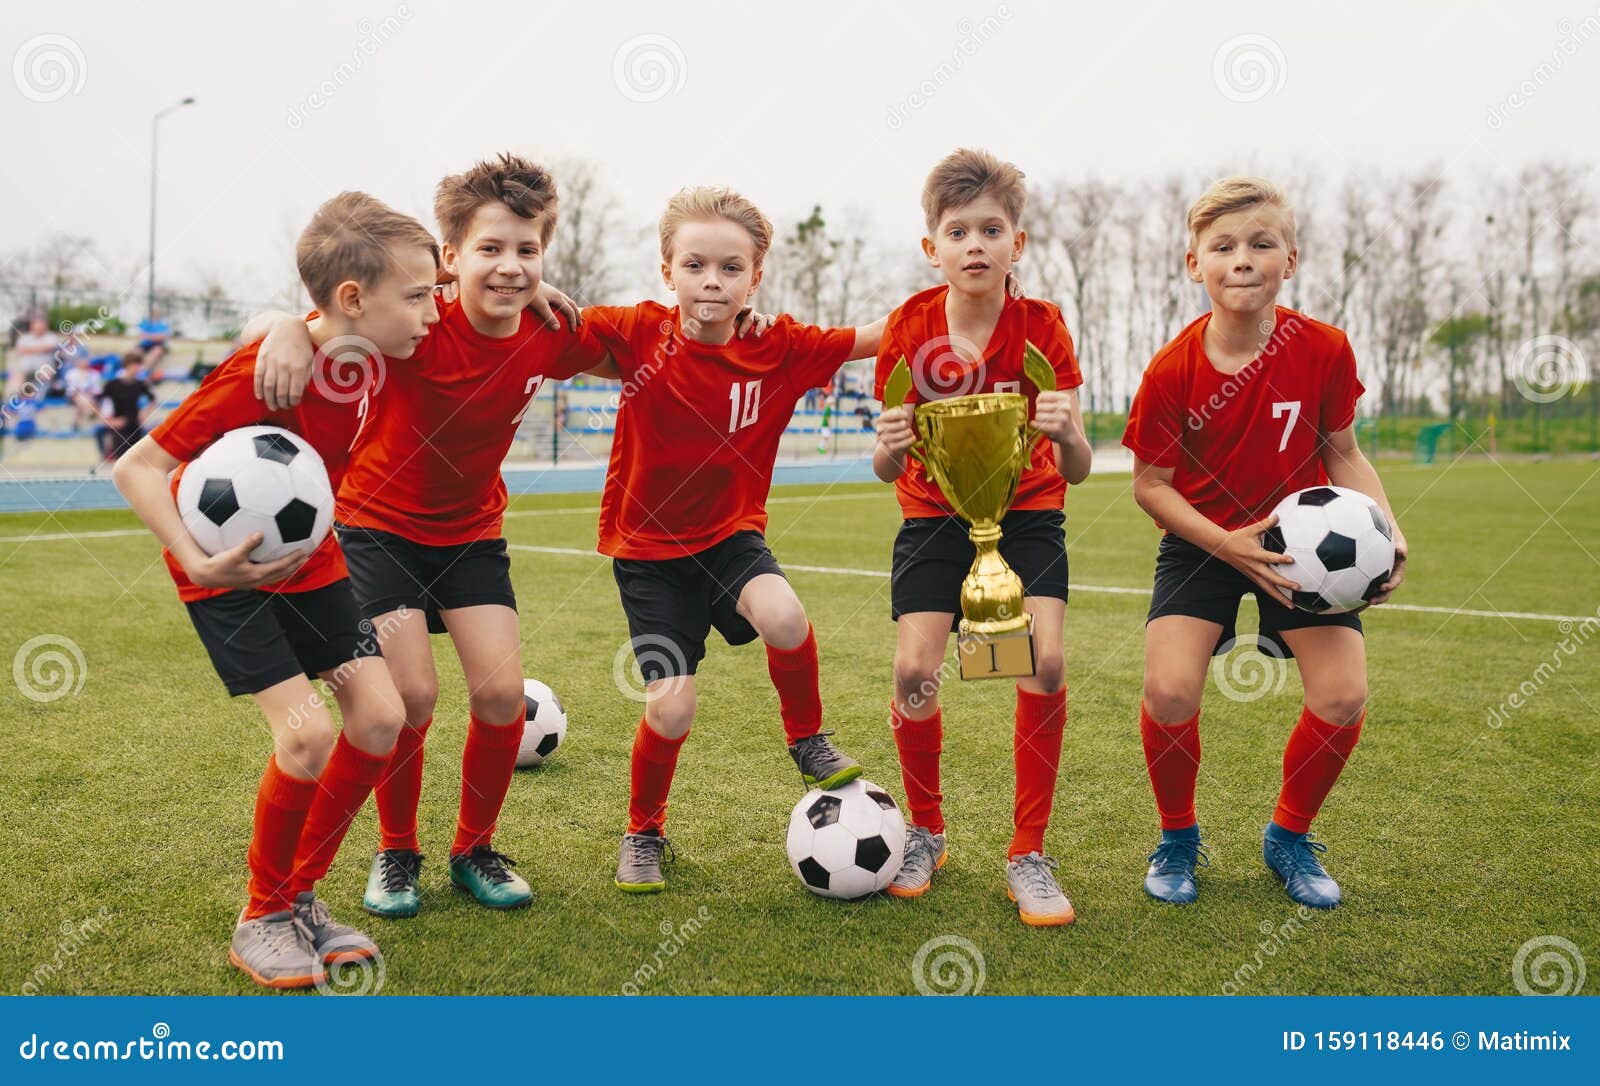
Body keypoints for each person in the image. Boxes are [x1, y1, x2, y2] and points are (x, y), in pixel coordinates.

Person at [248, 154, 599, 918]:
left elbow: (653, 337)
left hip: (472, 534)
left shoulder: (551, 332)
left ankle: (473, 848)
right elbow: (313, 320)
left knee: (504, 693)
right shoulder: (411, 317)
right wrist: (281, 324)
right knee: (409, 695)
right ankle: (396, 852)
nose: (509, 267)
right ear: (450, 259)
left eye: (527, 251)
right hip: (378, 529)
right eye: (490, 249)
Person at [111, 191, 436, 988]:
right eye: (422, 296)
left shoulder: (363, 348)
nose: (435, 312)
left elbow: (300, 319)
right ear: (356, 300)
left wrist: (289, 319)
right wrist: (195, 555)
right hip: (226, 571)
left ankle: (301, 897)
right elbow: (136, 466)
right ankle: (262, 914)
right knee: (306, 736)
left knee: (383, 715)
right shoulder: (264, 376)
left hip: (311, 558)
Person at [580, 185, 888, 893]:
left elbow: (874, 337)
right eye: (694, 266)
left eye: (729, 268)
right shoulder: (635, 333)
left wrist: (960, 302)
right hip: (649, 558)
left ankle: (806, 739)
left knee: (784, 615)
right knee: (672, 705)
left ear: (756, 275)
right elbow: (556, 328)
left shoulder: (780, 347)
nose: (711, 282)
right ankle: (644, 832)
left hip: (729, 539)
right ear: (667, 271)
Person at [1121, 176, 1408, 910]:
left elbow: (1341, 450)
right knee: (1170, 688)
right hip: (1204, 541)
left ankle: (1288, 836)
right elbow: (1151, 486)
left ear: (1291, 258)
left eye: (1260, 243)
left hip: (1307, 543)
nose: (1242, 259)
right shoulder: (1169, 371)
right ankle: (1179, 837)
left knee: (1343, 696)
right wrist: (1227, 543)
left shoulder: (1323, 349)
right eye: (1223, 247)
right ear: (1196, 266)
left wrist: (1385, 523)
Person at [872, 148, 1091, 927]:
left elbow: (1082, 466)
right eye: (957, 231)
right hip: (933, 519)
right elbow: (881, 464)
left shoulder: (1043, 328)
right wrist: (891, 443)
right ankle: (925, 831)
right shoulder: (908, 327)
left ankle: (1027, 852)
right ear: (932, 247)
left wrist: (1067, 433)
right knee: (912, 673)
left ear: (1017, 245)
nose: (975, 245)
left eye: (991, 229)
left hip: (1028, 516)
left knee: (1046, 660)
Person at [99, 351, 156, 460]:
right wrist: (110, 422)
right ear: (129, 365)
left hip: (135, 426)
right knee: (121, 459)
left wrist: (145, 413)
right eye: (137, 365)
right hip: (119, 427)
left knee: (136, 459)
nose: (139, 368)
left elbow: (152, 400)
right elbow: (100, 404)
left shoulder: (141, 384)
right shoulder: (112, 385)